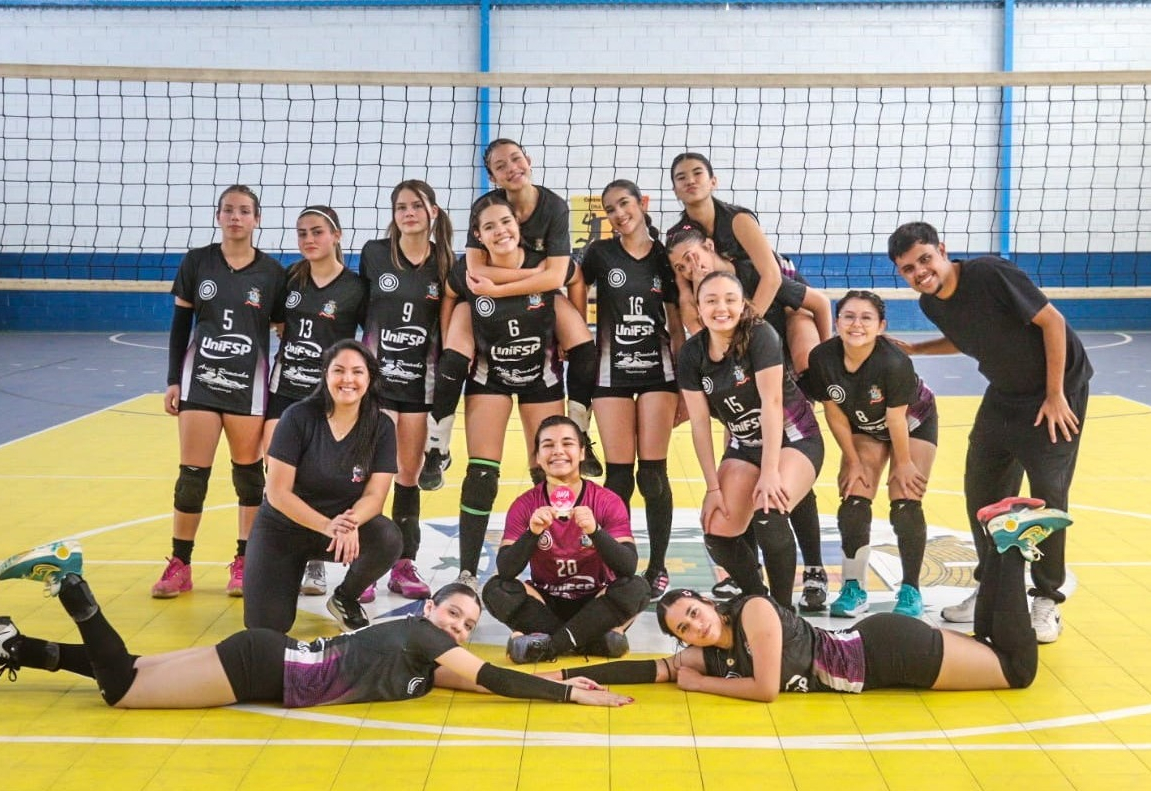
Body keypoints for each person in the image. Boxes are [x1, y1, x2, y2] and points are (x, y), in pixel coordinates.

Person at [542, 498, 1072, 701]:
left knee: (1016, 669)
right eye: (684, 629)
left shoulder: (751, 610)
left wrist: (700, 681)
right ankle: (1002, 538)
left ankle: (1006, 543)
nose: (694, 629)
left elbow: (767, 689)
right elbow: (651, 671)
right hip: (883, 657)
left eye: (693, 614)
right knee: (995, 644)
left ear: (709, 603)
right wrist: (560, 679)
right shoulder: (713, 650)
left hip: (888, 652)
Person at [0, 547, 633, 710]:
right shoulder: (425, 637)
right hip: (262, 669)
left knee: (133, 667)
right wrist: (570, 692)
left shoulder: (423, 645)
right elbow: (493, 677)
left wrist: (566, 673)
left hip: (266, 657)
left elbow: (473, 681)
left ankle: (17, 646)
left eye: (469, 624)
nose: (462, 629)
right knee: (123, 690)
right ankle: (71, 585)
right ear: (431, 611)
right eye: (456, 615)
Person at [888, 222, 1092, 643]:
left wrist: (1055, 395)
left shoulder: (989, 274)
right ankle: (993, 587)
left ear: (942, 250)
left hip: (1056, 391)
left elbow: (1053, 323)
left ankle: (1047, 599)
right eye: (908, 269)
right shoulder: (932, 304)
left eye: (925, 259)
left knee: (1047, 498)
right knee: (982, 490)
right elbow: (969, 337)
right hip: (1005, 394)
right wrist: (919, 349)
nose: (920, 272)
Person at [665, 220, 832, 609]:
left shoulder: (761, 336)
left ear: (742, 305)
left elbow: (773, 406)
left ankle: (783, 613)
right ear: (699, 307)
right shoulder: (692, 355)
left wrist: (770, 470)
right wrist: (711, 486)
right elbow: (701, 428)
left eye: (729, 300)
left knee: (770, 512)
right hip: (743, 445)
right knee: (717, 527)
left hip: (794, 439)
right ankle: (757, 599)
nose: (720, 308)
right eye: (711, 301)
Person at [423, 138, 600, 489]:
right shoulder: (487, 208)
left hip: (527, 292)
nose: (511, 168)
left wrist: (568, 330)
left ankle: (579, 432)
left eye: (516, 159)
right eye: (501, 165)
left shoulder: (553, 207)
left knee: (585, 351)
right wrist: (448, 340)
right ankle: (437, 446)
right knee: (452, 363)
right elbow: (473, 277)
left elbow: (565, 277)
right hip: (485, 299)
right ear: (492, 176)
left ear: (529, 160)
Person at [436, 196, 575, 591]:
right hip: (489, 377)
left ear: (519, 224)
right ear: (478, 236)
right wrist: (452, 339)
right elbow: (449, 294)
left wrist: (570, 329)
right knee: (481, 473)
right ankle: (466, 571)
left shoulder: (546, 265)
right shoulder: (468, 272)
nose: (501, 232)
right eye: (490, 227)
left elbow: (575, 278)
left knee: (550, 472)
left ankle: (555, 559)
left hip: (540, 377)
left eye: (506, 222)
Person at [156, 184, 287, 599]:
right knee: (191, 478)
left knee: (249, 478)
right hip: (200, 381)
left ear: (256, 219)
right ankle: (180, 564)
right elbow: (181, 326)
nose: (236, 217)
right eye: (228, 210)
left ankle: (244, 562)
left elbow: (285, 330)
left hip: (249, 386)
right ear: (219, 216)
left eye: (244, 211)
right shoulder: (198, 262)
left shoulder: (272, 273)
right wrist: (173, 379)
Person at [242, 339, 402, 633]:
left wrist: (350, 523)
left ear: (370, 378)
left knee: (387, 537)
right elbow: (277, 493)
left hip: (338, 531)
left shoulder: (381, 427)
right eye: (339, 371)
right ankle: (286, 575)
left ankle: (344, 598)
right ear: (326, 374)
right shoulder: (297, 417)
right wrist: (329, 526)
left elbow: (375, 496)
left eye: (357, 372)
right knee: (266, 628)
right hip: (283, 529)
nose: (348, 380)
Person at [804, 290, 939, 618]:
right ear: (837, 322)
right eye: (848, 316)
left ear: (881, 326)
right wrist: (851, 459)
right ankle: (853, 587)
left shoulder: (893, 362)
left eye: (866, 318)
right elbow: (834, 414)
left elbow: (896, 419)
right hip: (864, 427)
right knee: (854, 497)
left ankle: (910, 590)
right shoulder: (823, 357)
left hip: (912, 423)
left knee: (905, 500)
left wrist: (903, 464)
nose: (856, 324)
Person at [580, 180, 684, 599]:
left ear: (642, 204)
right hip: (611, 372)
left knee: (653, 474)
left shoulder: (665, 257)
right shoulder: (600, 254)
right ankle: (616, 561)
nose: (618, 213)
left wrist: (685, 381)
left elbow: (677, 324)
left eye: (624, 203)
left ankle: (657, 566)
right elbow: (572, 292)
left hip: (659, 373)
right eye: (610, 209)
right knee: (619, 476)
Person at [482, 416, 650, 664]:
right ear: (537, 457)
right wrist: (533, 532)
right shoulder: (525, 505)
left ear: (582, 452)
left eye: (567, 444)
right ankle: (590, 639)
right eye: (548, 445)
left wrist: (595, 532)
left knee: (636, 587)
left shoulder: (606, 501)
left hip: (596, 602)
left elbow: (627, 566)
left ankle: (552, 644)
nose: (558, 451)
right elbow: (506, 570)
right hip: (546, 604)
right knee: (495, 589)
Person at [357, 180, 455, 602]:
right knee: (366, 474)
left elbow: (452, 325)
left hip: (421, 381)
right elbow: (356, 309)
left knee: (408, 475)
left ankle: (403, 562)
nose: (408, 212)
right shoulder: (374, 254)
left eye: (417, 205)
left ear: (432, 212)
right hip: (376, 382)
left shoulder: (447, 262)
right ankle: (360, 563)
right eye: (401, 206)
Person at [264, 206, 367, 601]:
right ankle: (276, 556)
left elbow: (366, 338)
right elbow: (276, 323)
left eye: (318, 232)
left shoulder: (355, 287)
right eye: (302, 233)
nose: (309, 239)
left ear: (336, 236)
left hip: (330, 396)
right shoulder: (290, 278)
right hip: (285, 389)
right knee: (277, 472)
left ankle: (319, 560)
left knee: (323, 476)